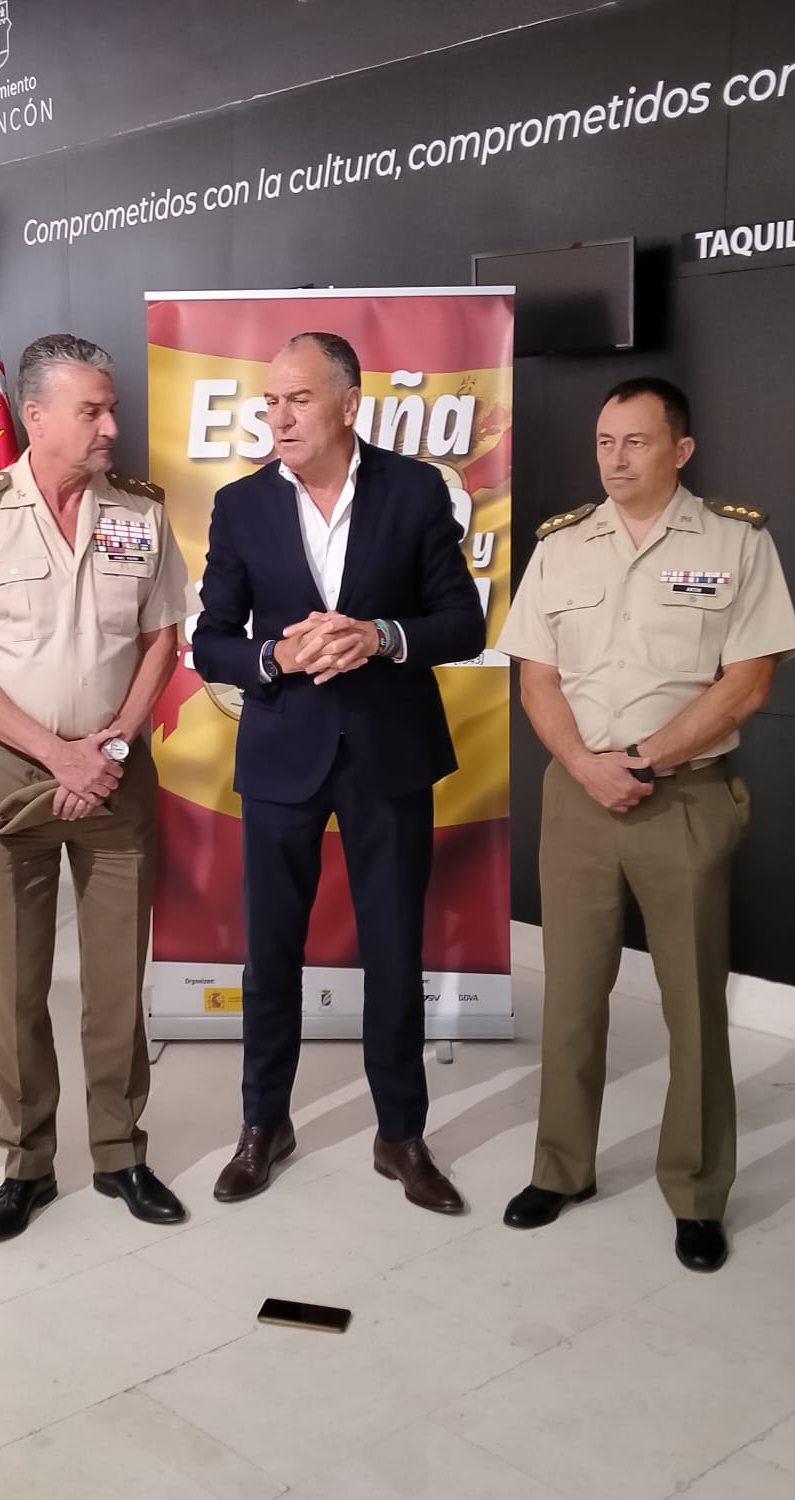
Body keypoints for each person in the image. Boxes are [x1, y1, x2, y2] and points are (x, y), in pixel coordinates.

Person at [494, 378, 795, 1271]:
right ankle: (562, 1167)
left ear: (682, 449)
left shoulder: (737, 542)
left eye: (634, 441)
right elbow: (537, 678)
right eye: (604, 442)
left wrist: (649, 759)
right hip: (577, 796)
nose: (615, 458)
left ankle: (698, 1192)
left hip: (684, 799)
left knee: (692, 1005)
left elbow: (748, 680)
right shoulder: (561, 546)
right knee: (572, 996)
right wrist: (590, 766)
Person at [191, 331, 485, 1213]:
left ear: (349, 405)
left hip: (386, 750)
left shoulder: (415, 489)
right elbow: (211, 642)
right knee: (269, 951)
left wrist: (382, 637)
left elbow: (462, 624)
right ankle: (264, 1125)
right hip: (282, 751)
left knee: (394, 947)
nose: (278, 417)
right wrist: (273, 655)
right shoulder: (241, 506)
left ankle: (401, 1136)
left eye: (298, 400)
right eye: (270, 402)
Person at [0, 333, 190, 1242]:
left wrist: (109, 744)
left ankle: (121, 1152)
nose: (113, 425)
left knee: (116, 979)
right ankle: (27, 1164)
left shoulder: (140, 513)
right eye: (92, 411)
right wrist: (54, 752)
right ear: (36, 417)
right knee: (17, 980)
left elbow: (161, 639)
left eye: (111, 408)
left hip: (116, 768)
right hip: (11, 769)